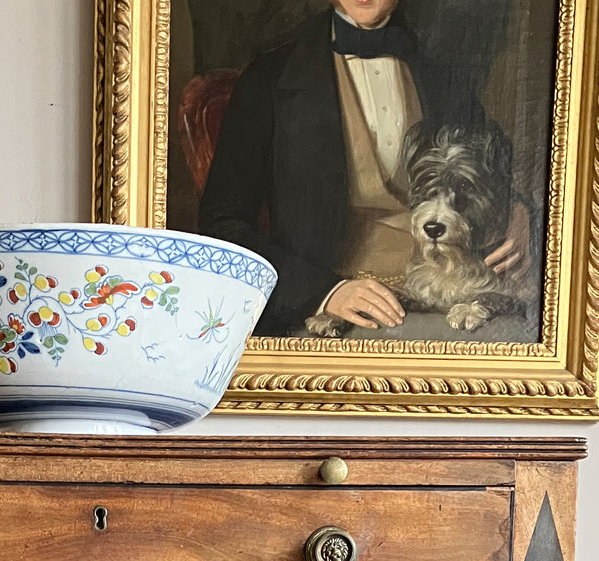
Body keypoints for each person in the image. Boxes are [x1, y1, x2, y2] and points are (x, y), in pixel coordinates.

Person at [197, 0, 528, 335]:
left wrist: (520, 211)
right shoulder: (269, 77)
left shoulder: (439, 75)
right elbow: (222, 224)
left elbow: (491, 166)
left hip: (448, 297)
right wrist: (323, 292)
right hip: (328, 310)